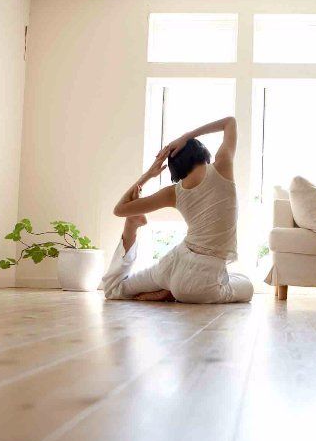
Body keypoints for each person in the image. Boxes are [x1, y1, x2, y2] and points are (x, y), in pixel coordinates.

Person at [101, 116, 254, 304]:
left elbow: (120, 209)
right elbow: (230, 122)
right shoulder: (222, 166)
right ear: (201, 152)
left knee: (114, 290)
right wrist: (187, 136)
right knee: (246, 285)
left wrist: (149, 174)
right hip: (200, 284)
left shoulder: (173, 192)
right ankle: (172, 290)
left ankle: (132, 227)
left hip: (172, 264)